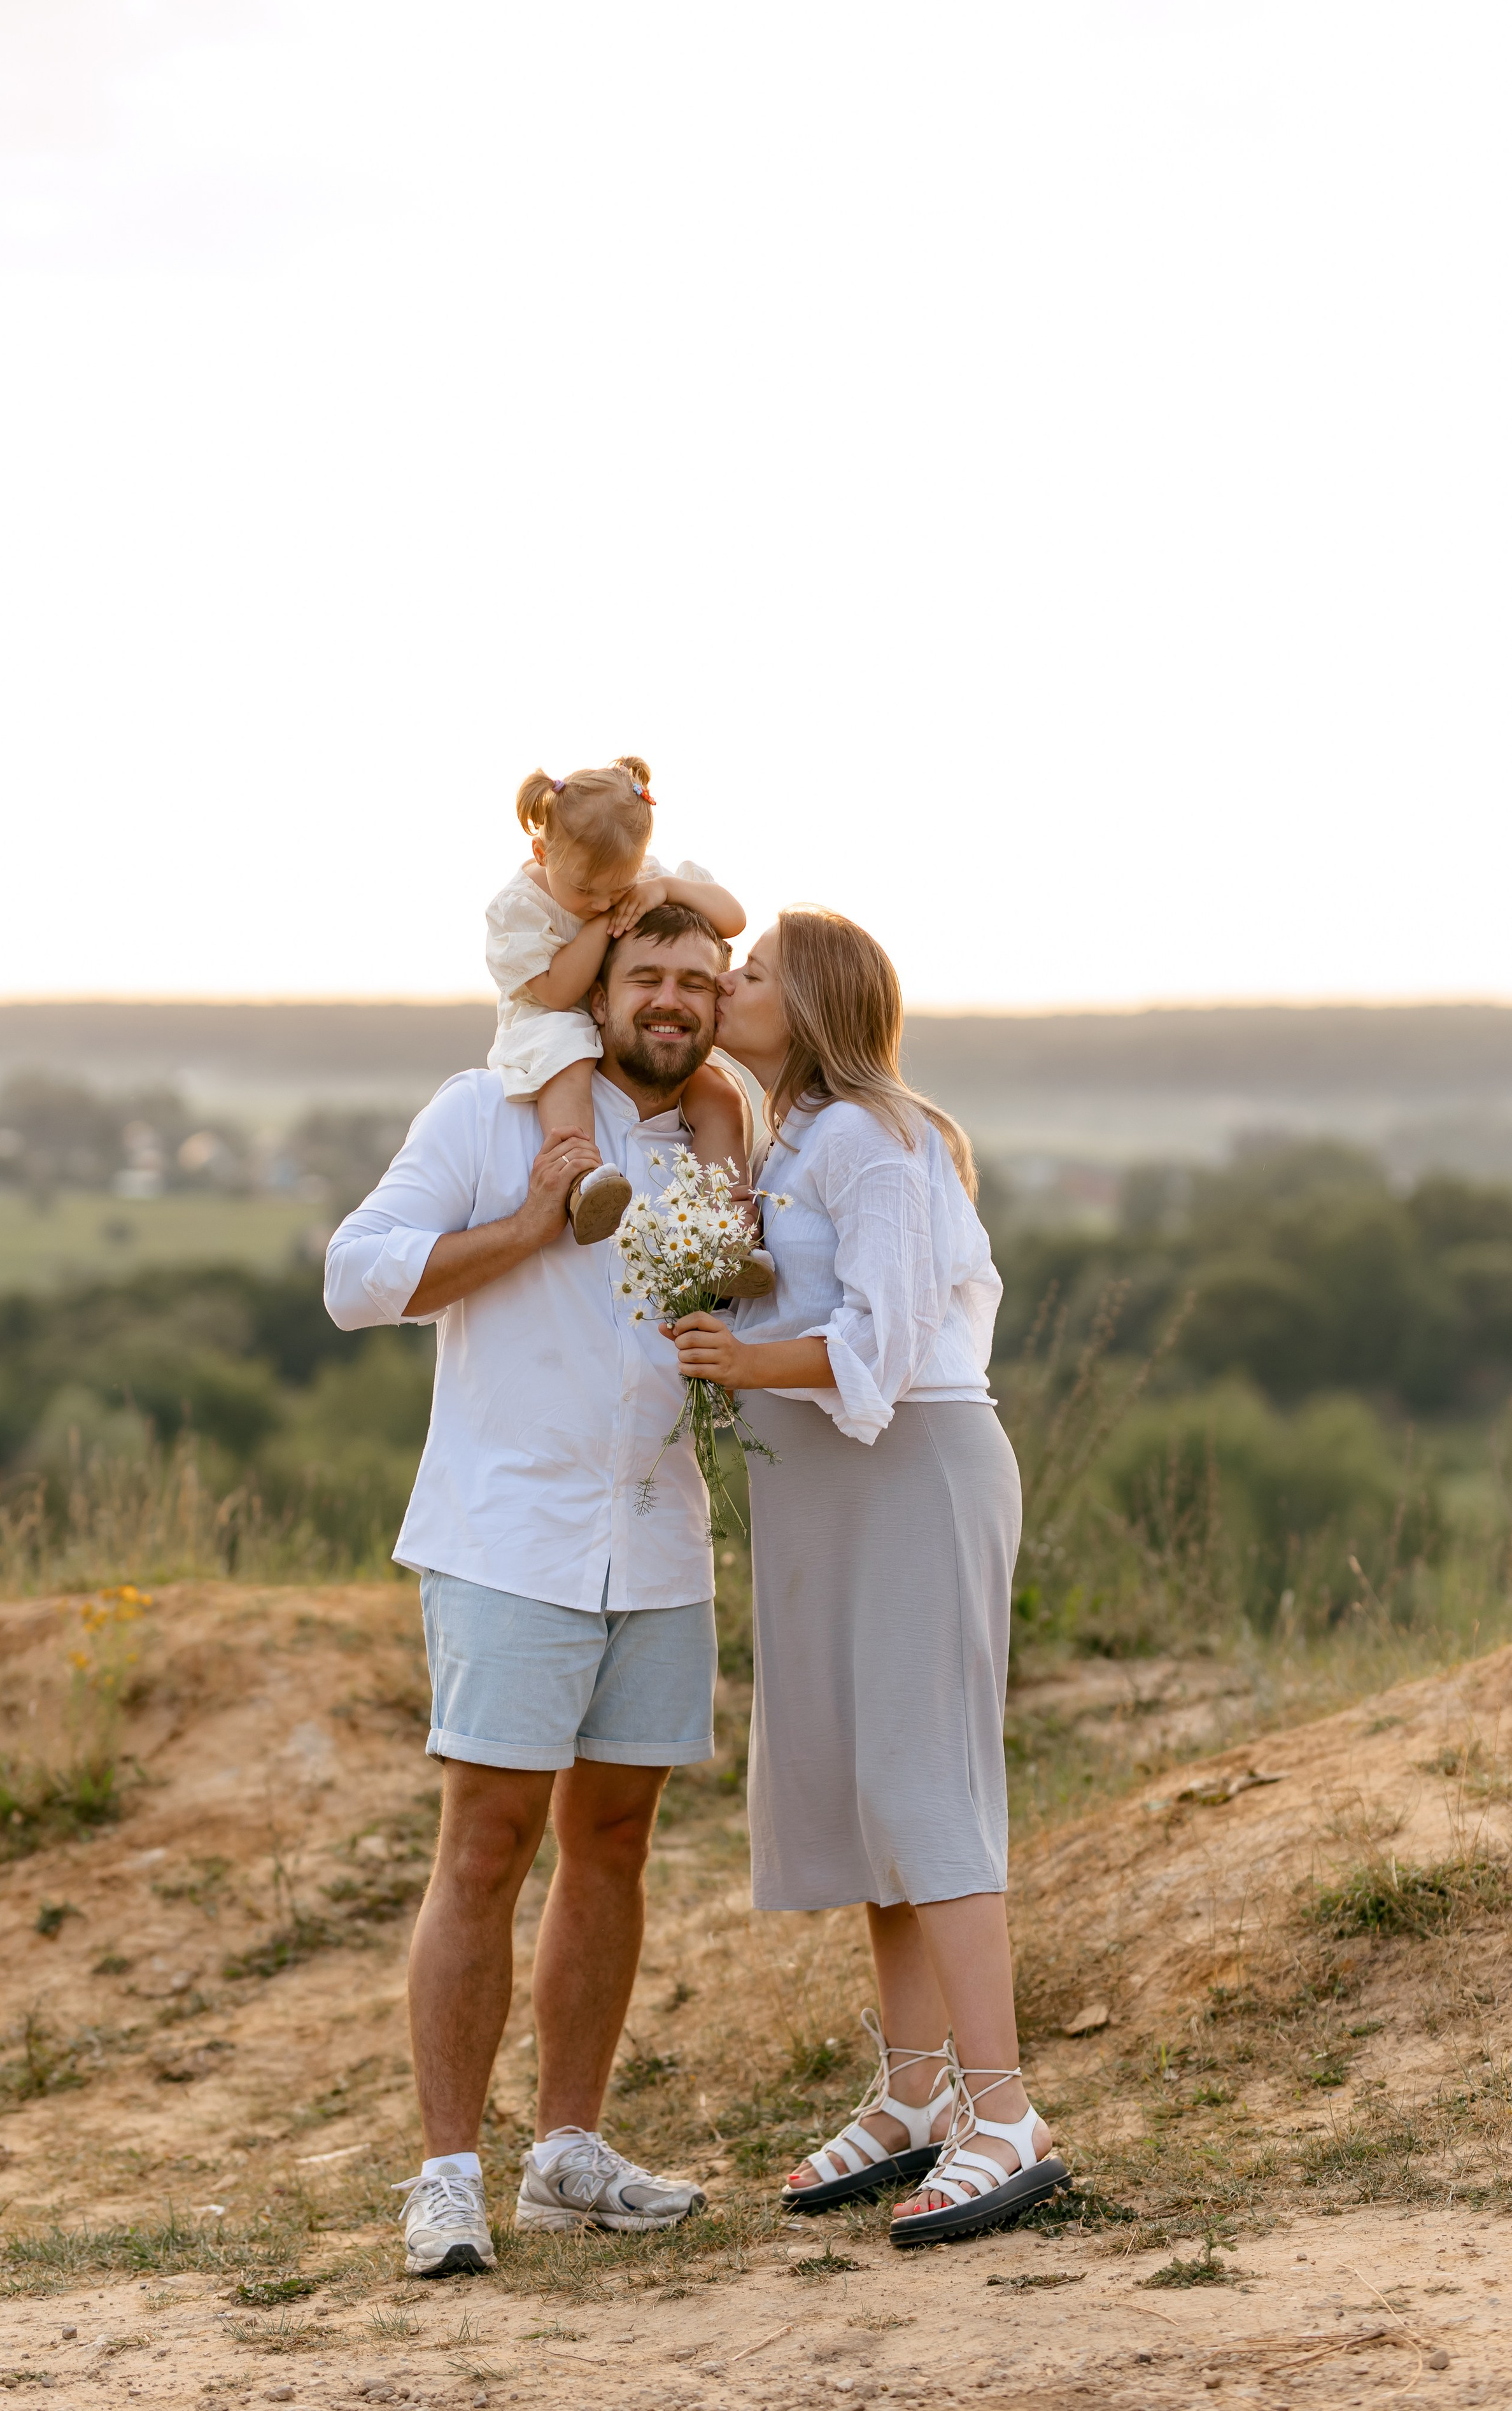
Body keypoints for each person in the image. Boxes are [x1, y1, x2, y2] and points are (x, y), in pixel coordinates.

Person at [323, 903, 734, 2278]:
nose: (671, 1000)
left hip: (660, 1542)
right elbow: (352, 1279)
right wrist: (524, 1226)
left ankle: (568, 2157)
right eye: (647, 976)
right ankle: (447, 2179)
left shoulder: (718, 1147)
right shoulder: (487, 1111)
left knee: (612, 1842)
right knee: (486, 1848)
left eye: (697, 981)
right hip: (509, 1539)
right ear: (595, 993)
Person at [666, 907, 1070, 2249]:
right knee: (867, 1790)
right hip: (832, 1493)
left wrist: (742, 1359)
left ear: (815, 1004)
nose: (726, 983)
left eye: (751, 971)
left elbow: (886, 1343)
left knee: (923, 1781)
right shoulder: (791, 1142)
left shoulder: (870, 1139)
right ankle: (912, 2095)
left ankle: (1002, 2111)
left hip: (911, 1475)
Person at [484, 754, 770, 1301]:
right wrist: (601, 926)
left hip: (624, 1018)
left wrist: (665, 890)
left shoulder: (639, 878)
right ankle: (584, 1179)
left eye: (616, 892)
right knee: (568, 1063)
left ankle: (727, 1230)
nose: (602, 902)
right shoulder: (520, 907)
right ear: (542, 853)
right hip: (553, 1018)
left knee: (719, 1092)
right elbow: (557, 992)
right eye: (586, 892)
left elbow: (732, 918)